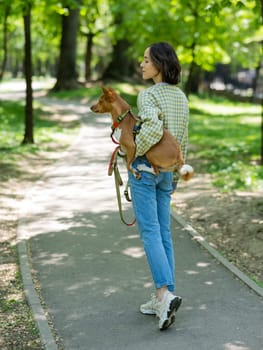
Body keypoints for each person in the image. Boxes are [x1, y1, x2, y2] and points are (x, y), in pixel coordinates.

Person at [128, 42, 189, 331]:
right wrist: (175, 173)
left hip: (145, 168)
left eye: (146, 60)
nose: (142, 64)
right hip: (167, 171)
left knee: (150, 231)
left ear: (160, 65)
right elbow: (182, 142)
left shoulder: (147, 95)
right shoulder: (182, 98)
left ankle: (164, 295)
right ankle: (163, 296)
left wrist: (134, 153)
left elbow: (151, 128)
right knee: (164, 233)